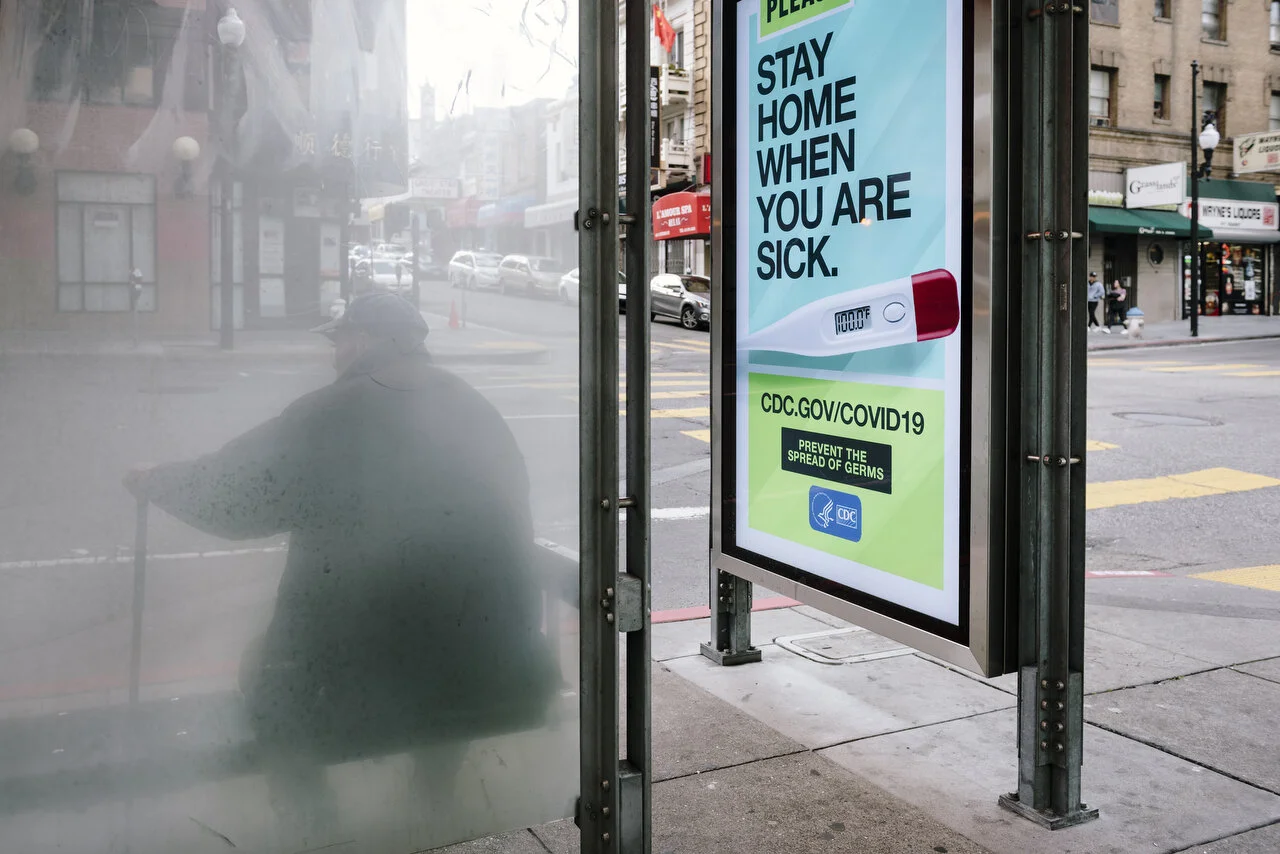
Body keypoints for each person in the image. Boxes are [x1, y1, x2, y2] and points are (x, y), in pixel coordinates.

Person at [124, 292, 560, 837]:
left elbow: (234, 494)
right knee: (443, 660)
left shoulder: (330, 414)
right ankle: (432, 795)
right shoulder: (473, 407)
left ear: (366, 341)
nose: (334, 354)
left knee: (267, 677)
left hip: (364, 666)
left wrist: (155, 480)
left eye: (340, 339)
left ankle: (309, 819)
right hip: (489, 662)